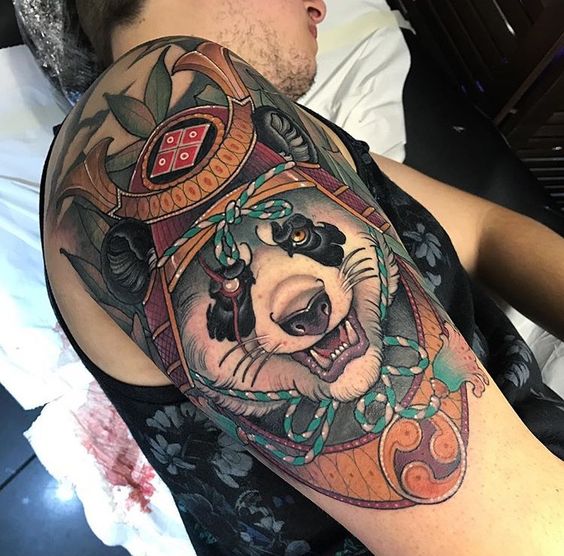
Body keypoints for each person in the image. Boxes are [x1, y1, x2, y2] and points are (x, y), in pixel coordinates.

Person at [41, 0, 564, 553]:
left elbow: (482, 233)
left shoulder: (274, 127)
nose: (319, 6)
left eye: (294, 234)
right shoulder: (157, 116)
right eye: (228, 280)